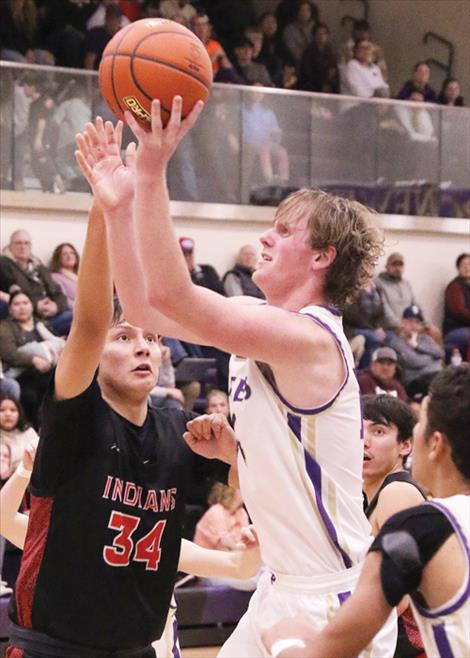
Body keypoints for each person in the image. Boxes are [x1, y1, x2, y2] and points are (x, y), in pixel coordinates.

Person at [93, 96, 397, 657]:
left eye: (283, 232)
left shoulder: (310, 338)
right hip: (279, 589)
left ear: (321, 257)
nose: (266, 238)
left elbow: (171, 294)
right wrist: (118, 209)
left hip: (329, 598)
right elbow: (143, 306)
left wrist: (154, 170)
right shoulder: (266, 327)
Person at [5, 141, 260, 656]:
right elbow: (91, 321)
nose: (143, 344)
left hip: (138, 647)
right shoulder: (76, 415)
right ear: (96, 358)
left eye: (151, 338)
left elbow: (248, 481)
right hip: (53, 647)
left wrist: (235, 458)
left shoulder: (175, 427)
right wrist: (106, 208)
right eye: (125, 337)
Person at [262, 364, 470, 658]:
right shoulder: (361, 498)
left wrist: (286, 640)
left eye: (420, 424)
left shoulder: (416, 520)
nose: (365, 441)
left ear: (433, 444)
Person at [362, 394, 425, 658]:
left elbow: (401, 594)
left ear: (405, 446)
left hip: (409, 647)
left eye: (378, 431)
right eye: (357, 430)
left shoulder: (397, 492)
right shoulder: (360, 497)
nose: (363, 441)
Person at [0, 291, 65, 427]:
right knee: (32, 395)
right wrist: (33, 360)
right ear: (11, 309)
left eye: (25, 303)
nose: (22, 307)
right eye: (17, 304)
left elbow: (57, 343)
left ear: (32, 306)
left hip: (49, 371)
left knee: (60, 384)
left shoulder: (42, 324)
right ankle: (37, 430)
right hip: (23, 374)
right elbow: (9, 353)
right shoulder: (5, 327)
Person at [0, 229, 72, 336]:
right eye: (18, 243)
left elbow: (59, 293)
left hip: (53, 315)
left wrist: (56, 306)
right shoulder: (4, 265)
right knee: (78, 318)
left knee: (83, 317)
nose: (23, 246)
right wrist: (36, 305)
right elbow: (15, 294)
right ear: (10, 246)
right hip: (31, 320)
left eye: (26, 243)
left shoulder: (40, 267)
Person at [389, 305, 444, 401]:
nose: (414, 325)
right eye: (410, 321)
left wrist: (417, 346)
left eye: (417, 322)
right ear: (403, 322)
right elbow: (415, 361)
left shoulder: (425, 339)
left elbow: (440, 353)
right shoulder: (397, 343)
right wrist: (432, 359)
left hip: (436, 376)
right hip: (416, 381)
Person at [343, 279, 388, 368]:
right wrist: (373, 329)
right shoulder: (352, 289)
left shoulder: (377, 290)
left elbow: (381, 313)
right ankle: (364, 372)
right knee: (374, 338)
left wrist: (380, 327)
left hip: (370, 328)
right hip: (351, 328)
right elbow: (352, 316)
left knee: (389, 339)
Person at [195, 482, 250, 550]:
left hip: (230, 554)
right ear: (230, 491)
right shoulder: (216, 511)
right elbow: (223, 542)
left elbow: (247, 535)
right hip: (207, 555)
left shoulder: (241, 512)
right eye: (241, 488)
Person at [0, 395, 39, 472]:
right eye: (2, 410)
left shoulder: (29, 432)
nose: (8, 414)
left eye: (13, 410)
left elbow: (39, 457)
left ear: (19, 413)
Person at [297, 22, 339, 94]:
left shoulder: (330, 51)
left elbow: (333, 70)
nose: (322, 36)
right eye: (319, 33)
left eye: (324, 33)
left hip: (329, 85)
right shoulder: (308, 52)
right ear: (314, 35)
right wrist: (321, 84)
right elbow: (307, 74)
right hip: (313, 87)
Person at [443, 252, 470, 359]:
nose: (468, 267)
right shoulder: (454, 287)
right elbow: (459, 311)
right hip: (456, 329)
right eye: (464, 265)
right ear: (458, 268)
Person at [83, 4, 123, 70]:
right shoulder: (96, 35)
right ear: (106, 19)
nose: (114, 23)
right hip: (97, 72)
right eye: (111, 19)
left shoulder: (122, 36)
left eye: (117, 20)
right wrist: (89, 79)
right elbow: (89, 60)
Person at [282, 0, 316, 69]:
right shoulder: (289, 29)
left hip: (317, 60)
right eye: (302, 10)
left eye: (308, 10)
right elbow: (293, 51)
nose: (305, 13)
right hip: (299, 64)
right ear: (297, 12)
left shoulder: (315, 25)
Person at [49, 242, 80, 308]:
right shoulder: (55, 277)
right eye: (64, 254)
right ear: (58, 258)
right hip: (73, 311)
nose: (69, 256)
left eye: (72, 253)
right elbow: (63, 300)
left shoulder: (82, 276)